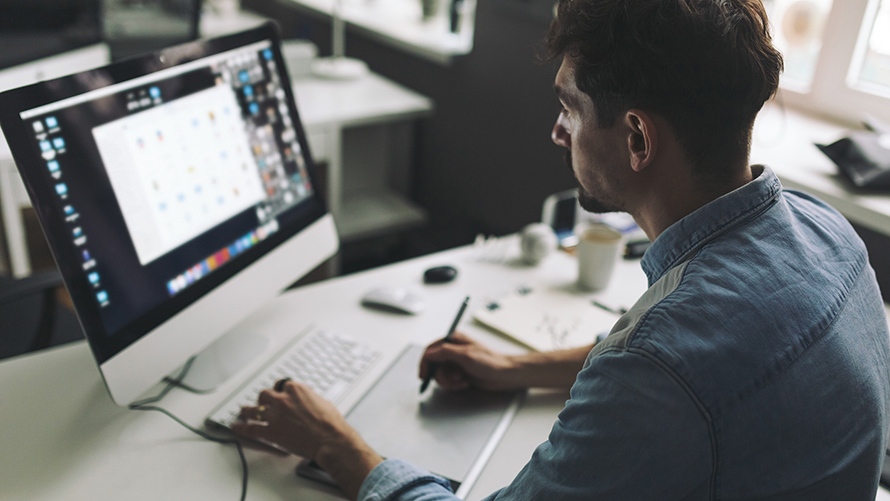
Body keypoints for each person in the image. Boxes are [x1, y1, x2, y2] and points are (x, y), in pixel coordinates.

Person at [232, 0, 890, 499]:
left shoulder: (662, 363)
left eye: (570, 108)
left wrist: (341, 446)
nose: (557, 130)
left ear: (636, 137)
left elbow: (672, 368)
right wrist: (519, 367)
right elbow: (703, 370)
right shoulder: (824, 229)